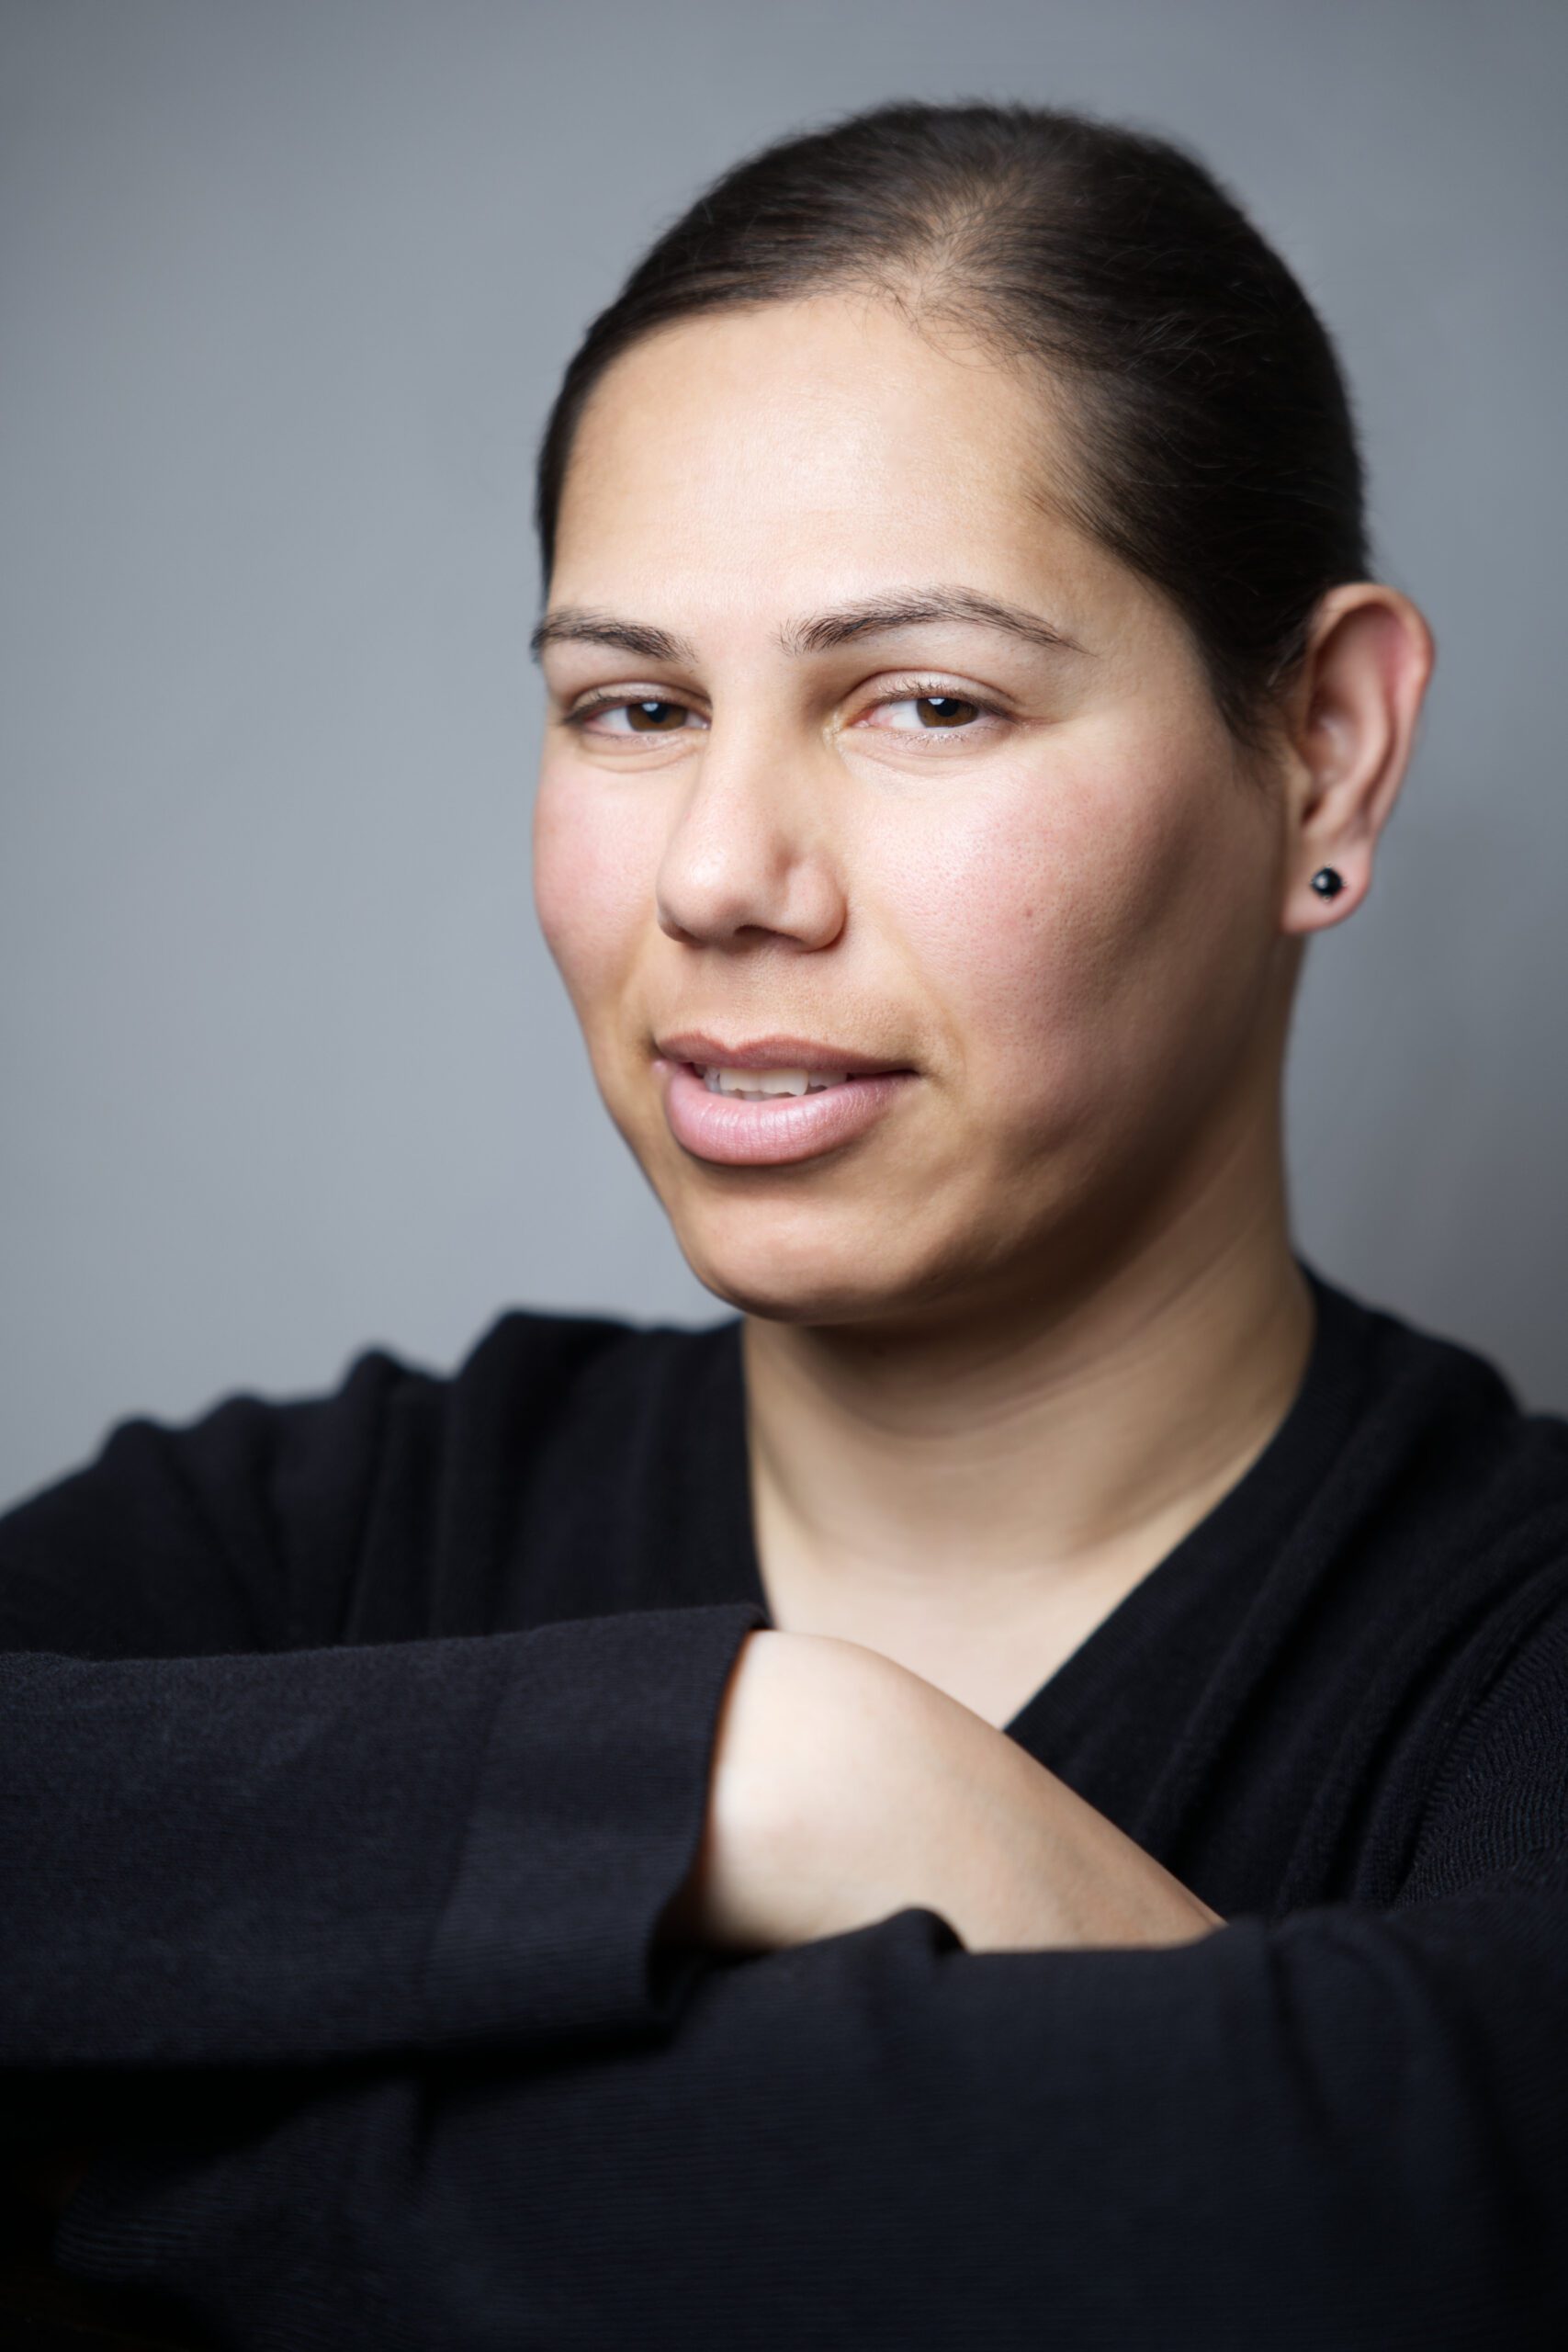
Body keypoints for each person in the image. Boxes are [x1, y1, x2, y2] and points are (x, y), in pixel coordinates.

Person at [2, 97, 1564, 2350]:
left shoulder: (1511, 1665)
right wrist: (759, 1764)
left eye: (920, 700)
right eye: (631, 705)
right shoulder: (314, 1541)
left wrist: (115, 2149)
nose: (720, 873)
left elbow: (1402, 2221)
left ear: (1317, 751)